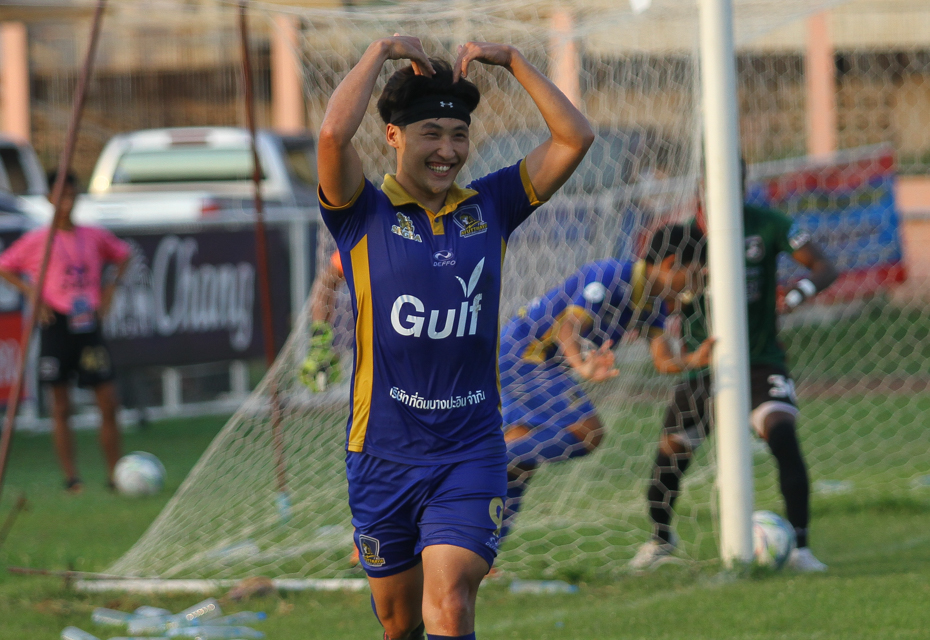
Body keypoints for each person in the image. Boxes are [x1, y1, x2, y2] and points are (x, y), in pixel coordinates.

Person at [316, 34, 593, 640]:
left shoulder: (491, 205)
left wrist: (515, 61)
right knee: (400, 624)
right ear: (394, 136)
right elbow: (333, 136)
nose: (447, 151)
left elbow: (574, 137)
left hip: (471, 451)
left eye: (459, 135)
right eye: (431, 135)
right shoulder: (363, 212)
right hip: (382, 453)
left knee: (451, 603)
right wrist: (380, 51)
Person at [630, 162, 838, 572]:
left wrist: (795, 296)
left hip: (760, 359)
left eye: (732, 183)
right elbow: (651, 294)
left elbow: (824, 266)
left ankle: (800, 549)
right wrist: (662, 340)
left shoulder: (768, 224)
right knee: (671, 454)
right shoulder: (683, 238)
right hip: (703, 367)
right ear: (700, 187)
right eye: (712, 184)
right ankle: (660, 540)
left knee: (782, 434)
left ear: (743, 186)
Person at [498, 224, 714, 539]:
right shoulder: (611, 276)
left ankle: (483, 554)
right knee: (588, 432)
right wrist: (582, 365)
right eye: (692, 276)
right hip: (524, 357)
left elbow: (663, 361)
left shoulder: (651, 302)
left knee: (517, 466)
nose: (692, 288)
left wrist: (695, 359)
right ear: (670, 263)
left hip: (536, 364)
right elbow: (568, 328)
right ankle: (478, 460)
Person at [0, 170, 131, 493]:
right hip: (56, 324)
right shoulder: (38, 240)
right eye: (61, 196)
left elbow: (123, 255)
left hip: (87, 324)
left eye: (72, 196)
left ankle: (115, 474)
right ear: (49, 198)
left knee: (108, 400)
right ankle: (72, 478)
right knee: (60, 405)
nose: (67, 203)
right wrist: (32, 294)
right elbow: (5, 266)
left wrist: (110, 289)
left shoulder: (93, 235)